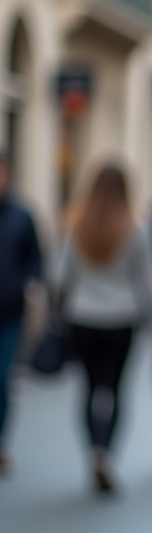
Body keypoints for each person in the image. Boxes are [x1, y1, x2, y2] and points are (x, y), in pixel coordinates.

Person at [54, 164, 152, 493]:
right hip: (122, 318)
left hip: (82, 317)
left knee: (89, 389)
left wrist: (59, 309)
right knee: (117, 389)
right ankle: (107, 455)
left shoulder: (74, 225)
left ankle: (93, 452)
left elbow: (58, 276)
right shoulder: (137, 227)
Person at [0, 152, 43, 473]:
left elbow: (36, 260)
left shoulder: (22, 216)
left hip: (10, 312)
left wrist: (26, 284)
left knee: (3, 378)